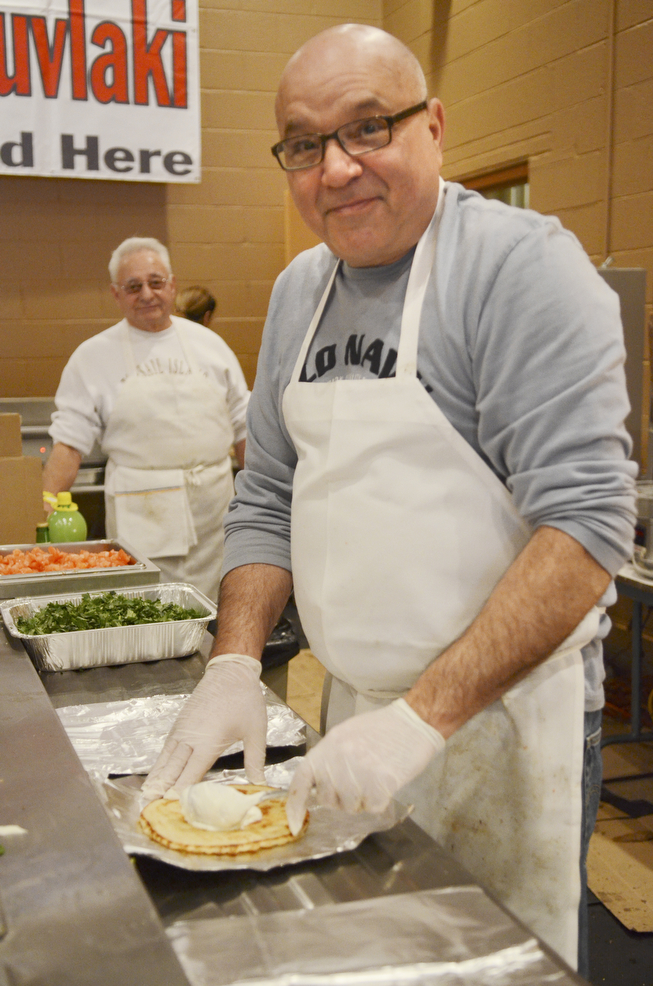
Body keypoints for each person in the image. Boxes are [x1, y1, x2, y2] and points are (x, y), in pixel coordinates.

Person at [142, 25, 637, 973]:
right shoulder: (299, 291)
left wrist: (422, 719)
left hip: (501, 726)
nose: (336, 169)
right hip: (351, 719)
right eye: (302, 144)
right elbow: (269, 493)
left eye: (368, 128)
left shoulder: (518, 268)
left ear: (434, 127)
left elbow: (584, 525)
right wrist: (234, 667)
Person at [42, 237, 249, 601]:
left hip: (215, 513)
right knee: (145, 610)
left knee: (220, 612)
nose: (147, 294)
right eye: (133, 286)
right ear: (116, 294)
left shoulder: (210, 346)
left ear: (172, 285)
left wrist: (258, 499)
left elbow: (243, 426)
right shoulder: (92, 357)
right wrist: (43, 505)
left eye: (156, 282)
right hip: (142, 516)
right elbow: (70, 442)